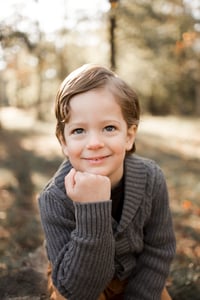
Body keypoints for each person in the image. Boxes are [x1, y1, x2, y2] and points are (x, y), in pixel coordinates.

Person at [38, 64, 176, 300]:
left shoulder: (151, 179)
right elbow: (77, 290)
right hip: (77, 276)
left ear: (129, 135)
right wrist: (92, 209)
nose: (94, 143)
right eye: (79, 130)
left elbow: (158, 250)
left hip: (135, 275)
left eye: (109, 128)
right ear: (63, 141)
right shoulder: (54, 198)